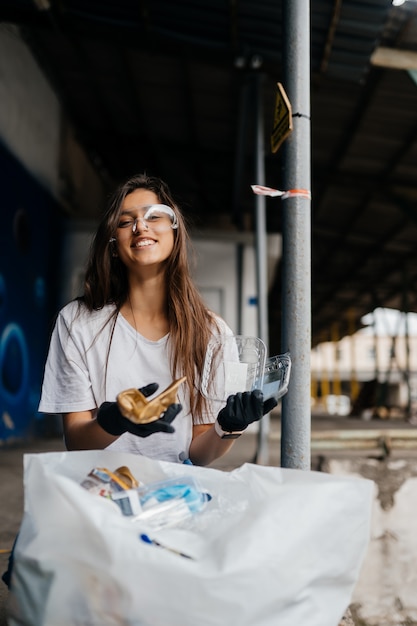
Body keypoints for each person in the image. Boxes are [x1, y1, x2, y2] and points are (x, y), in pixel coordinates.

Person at [38, 173, 277, 466]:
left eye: (154, 216)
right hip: (98, 490)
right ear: (113, 244)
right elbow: (76, 443)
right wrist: (113, 423)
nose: (140, 226)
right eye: (125, 222)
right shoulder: (77, 321)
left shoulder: (211, 332)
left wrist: (229, 426)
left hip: (175, 492)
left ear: (175, 233)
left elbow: (198, 455)